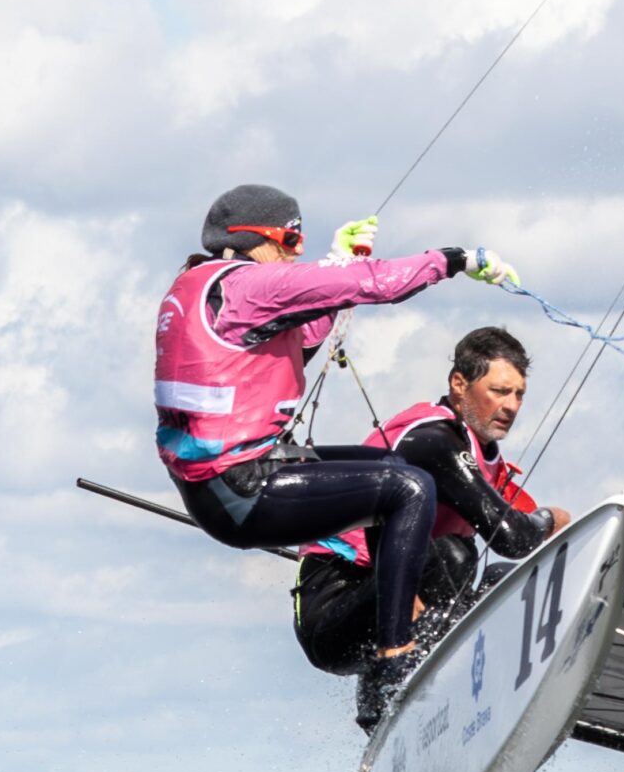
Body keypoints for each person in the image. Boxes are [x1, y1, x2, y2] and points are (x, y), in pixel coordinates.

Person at [154, 183, 520, 726]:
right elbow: (374, 284)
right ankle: (395, 659)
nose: (298, 250)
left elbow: (299, 340)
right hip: (238, 487)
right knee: (410, 489)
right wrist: (454, 259)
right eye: (291, 239)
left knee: (397, 472)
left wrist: (337, 261)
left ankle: (383, 658)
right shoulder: (244, 285)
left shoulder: (204, 288)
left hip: (229, 479)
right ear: (254, 237)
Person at [295, 326, 573, 726]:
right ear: (459, 384)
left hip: (389, 607)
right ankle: (393, 698)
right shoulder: (434, 440)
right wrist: (550, 518)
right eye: (499, 391)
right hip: (332, 610)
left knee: (501, 584)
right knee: (454, 556)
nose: (511, 406)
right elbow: (511, 538)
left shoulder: (480, 451)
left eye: (519, 394)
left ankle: (397, 710)